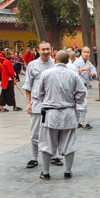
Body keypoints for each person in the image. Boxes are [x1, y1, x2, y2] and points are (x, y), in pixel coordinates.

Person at [33, 51, 86, 180]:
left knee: (47, 142)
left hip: (50, 112)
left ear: (54, 59)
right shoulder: (73, 74)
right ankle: (67, 171)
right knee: (69, 142)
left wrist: (47, 99)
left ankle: (45, 172)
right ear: (68, 61)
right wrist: (74, 100)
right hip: (68, 112)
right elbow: (81, 92)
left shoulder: (46, 74)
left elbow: (38, 93)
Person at [24, 41, 62, 169]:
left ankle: (54, 156)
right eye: (43, 49)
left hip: (53, 103)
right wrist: (28, 103)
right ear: (38, 50)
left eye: (47, 49)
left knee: (54, 131)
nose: (46, 51)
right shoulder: (32, 65)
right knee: (34, 132)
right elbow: (28, 85)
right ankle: (33, 158)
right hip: (37, 102)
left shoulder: (56, 64)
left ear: (51, 49)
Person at [73, 47, 97, 130]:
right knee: (82, 105)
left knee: (81, 105)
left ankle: (78, 122)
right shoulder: (77, 62)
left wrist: (93, 74)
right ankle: (83, 123)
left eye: (88, 52)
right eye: (84, 52)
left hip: (84, 85)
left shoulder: (88, 63)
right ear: (81, 53)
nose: (86, 54)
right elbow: (72, 72)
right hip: (77, 86)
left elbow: (93, 70)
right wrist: (82, 69)